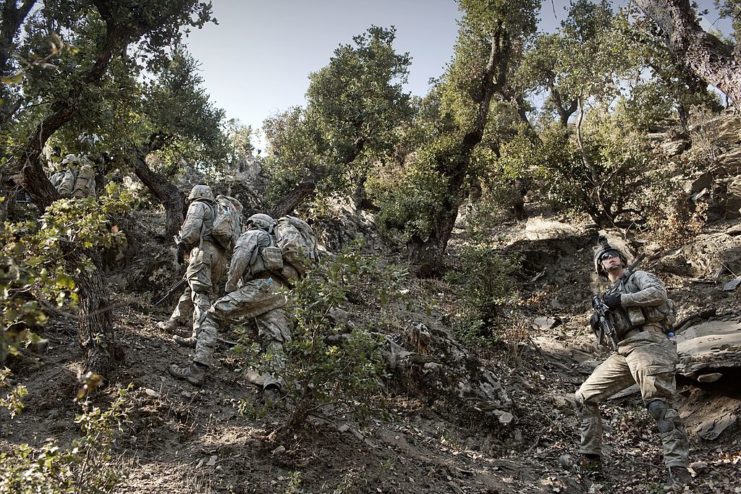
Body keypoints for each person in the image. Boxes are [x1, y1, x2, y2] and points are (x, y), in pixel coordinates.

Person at [575, 238, 691, 491]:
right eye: (604, 257)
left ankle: (678, 469)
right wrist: (597, 319)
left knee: (659, 404)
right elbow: (606, 332)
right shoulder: (605, 295)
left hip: (650, 341)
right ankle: (591, 461)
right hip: (622, 351)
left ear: (622, 259)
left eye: (613, 254)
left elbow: (658, 294)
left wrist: (622, 301)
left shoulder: (638, 277)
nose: (610, 258)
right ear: (600, 267)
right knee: (585, 396)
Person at [169, 213, 292, 395]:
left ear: (252, 223)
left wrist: (230, 287)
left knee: (212, 315)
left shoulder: (254, 234)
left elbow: (240, 259)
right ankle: (272, 389)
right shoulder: (278, 244)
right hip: (282, 294)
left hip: (260, 287)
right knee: (274, 337)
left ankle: (197, 370)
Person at [157, 185, 227, 345]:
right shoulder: (219, 210)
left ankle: (200, 336)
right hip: (221, 258)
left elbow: (193, 226)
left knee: (200, 294)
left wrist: (183, 244)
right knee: (193, 288)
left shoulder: (198, 205)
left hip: (204, 252)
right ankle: (173, 322)